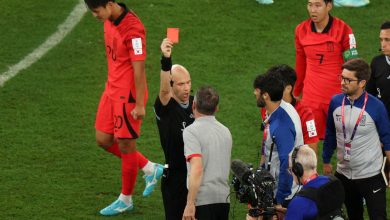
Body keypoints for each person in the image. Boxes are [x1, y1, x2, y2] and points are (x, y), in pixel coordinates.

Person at [84, 0, 163, 216]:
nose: (95, 16)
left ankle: (125, 199)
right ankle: (149, 168)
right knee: (103, 139)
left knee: (126, 144)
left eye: (96, 11)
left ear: (109, 4)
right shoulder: (109, 19)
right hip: (111, 89)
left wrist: (139, 104)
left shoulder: (133, 30)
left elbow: (139, 70)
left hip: (127, 95)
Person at [323, 58, 390, 220]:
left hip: (371, 176)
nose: (343, 82)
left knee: (378, 216)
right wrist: (325, 160)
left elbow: (387, 139)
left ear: (362, 83)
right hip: (344, 174)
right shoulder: (335, 102)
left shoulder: (376, 107)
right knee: (353, 215)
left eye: (348, 79)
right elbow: (330, 132)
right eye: (342, 77)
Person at [294, 0, 358, 139]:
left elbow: (353, 64)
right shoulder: (301, 30)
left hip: (337, 97)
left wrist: (355, 91)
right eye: (310, 5)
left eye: (318, 5)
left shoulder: (344, 30)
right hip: (310, 99)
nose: (313, 10)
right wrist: (296, 91)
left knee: (344, 140)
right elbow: (300, 63)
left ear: (329, 6)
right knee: (310, 139)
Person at [154, 38, 195, 220]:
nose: (186, 88)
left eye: (188, 82)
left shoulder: (197, 104)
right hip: (176, 178)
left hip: (197, 174)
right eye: (180, 84)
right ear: (171, 85)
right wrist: (166, 60)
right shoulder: (166, 108)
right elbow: (163, 92)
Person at [253, 73, 304, 208]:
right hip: (278, 188)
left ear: (265, 95)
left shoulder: (282, 124)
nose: (254, 93)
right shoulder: (278, 109)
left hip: (286, 196)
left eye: (256, 91)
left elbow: (286, 164)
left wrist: (279, 200)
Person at [182, 86, 232, 220]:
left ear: (194, 105)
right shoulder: (226, 131)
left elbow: (197, 168)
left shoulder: (191, 132)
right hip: (224, 201)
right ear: (216, 108)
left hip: (202, 202)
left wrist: (190, 203)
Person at [261, 65, 319, 154]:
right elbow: (266, 137)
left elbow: (312, 151)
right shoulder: (266, 105)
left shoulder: (306, 114)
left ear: (288, 89)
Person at [285, 145, 345, 219]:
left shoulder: (298, 203)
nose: (291, 173)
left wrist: (292, 211)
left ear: (297, 170)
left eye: (291, 169)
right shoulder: (333, 182)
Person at [367, 21, 390, 118]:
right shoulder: (376, 63)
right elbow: (369, 94)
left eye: (387, 40)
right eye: (381, 40)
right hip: (383, 121)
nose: (383, 44)